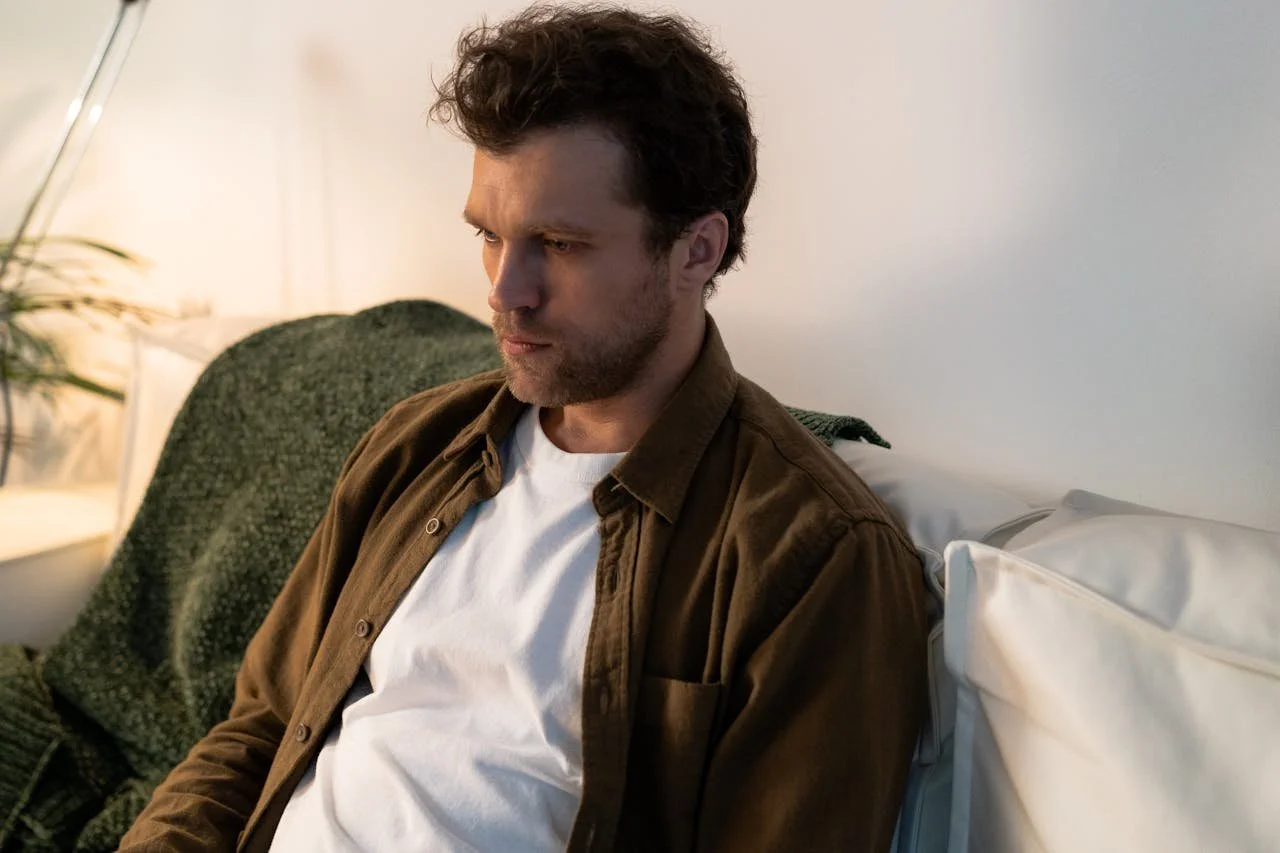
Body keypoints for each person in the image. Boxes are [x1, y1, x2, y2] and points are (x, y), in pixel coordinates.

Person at [120, 4, 927, 851]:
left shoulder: (812, 554)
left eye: (560, 243)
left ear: (696, 250)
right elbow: (260, 726)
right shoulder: (420, 444)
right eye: (490, 235)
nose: (507, 290)